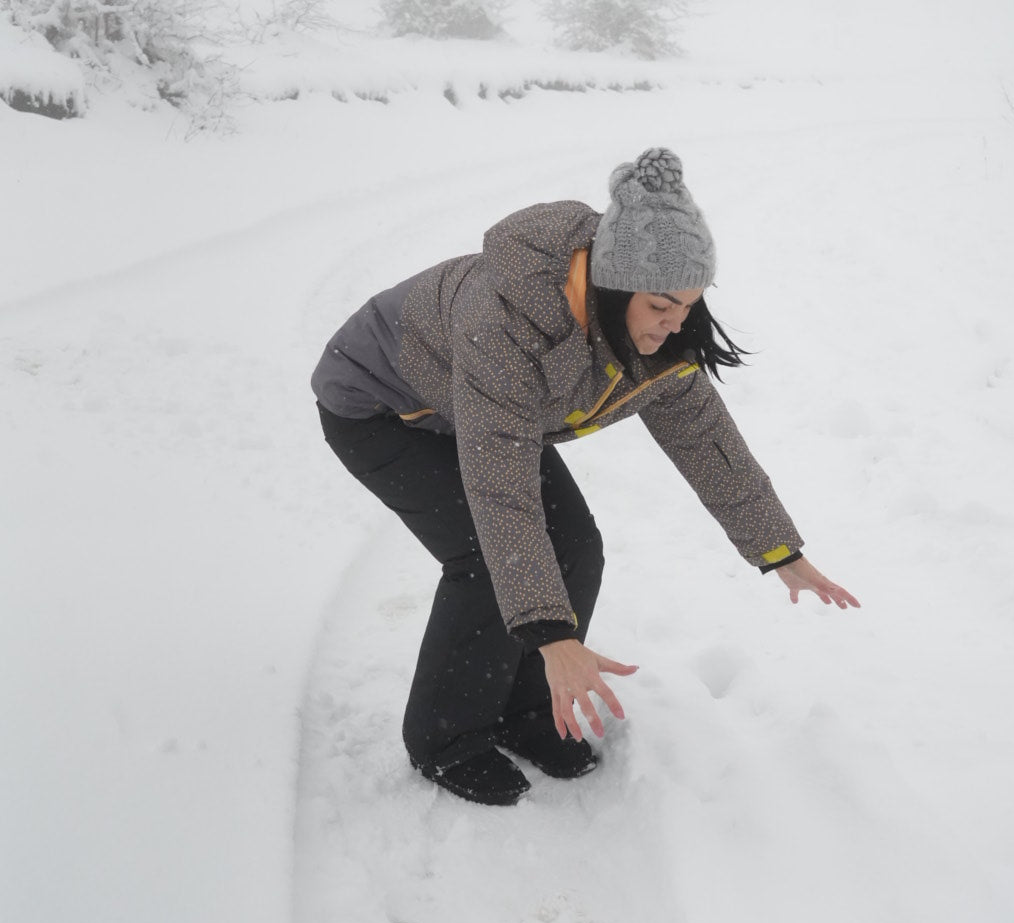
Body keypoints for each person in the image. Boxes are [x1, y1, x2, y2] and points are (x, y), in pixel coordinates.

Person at [312, 147, 859, 806]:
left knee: (575, 547)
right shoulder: (505, 321)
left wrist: (778, 549)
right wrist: (551, 631)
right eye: (661, 305)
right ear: (614, 285)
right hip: (382, 410)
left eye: (688, 304)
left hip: (480, 413)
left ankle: (527, 709)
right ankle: (446, 739)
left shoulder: (655, 334)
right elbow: (503, 493)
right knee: (489, 557)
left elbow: (704, 437)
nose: (676, 323)